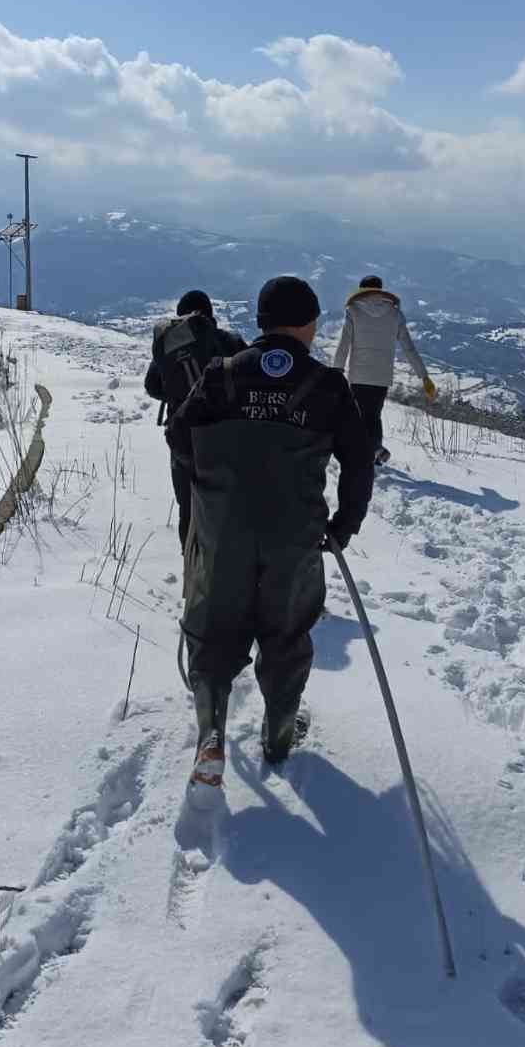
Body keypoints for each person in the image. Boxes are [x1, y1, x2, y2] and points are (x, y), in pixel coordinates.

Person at [168, 275, 374, 796]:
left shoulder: (221, 374)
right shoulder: (328, 386)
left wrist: (208, 488)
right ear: (308, 324)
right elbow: (358, 463)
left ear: (260, 321)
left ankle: (211, 734)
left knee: (213, 635)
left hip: (223, 534)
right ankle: (279, 736)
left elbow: (178, 434)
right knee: (285, 638)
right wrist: (342, 527)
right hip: (293, 537)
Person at [145, 291, 246, 550]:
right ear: (209, 314)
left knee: (188, 507)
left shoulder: (169, 344)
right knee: (228, 506)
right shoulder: (228, 340)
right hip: (226, 435)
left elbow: (152, 386)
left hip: (181, 437)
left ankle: (192, 570)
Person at [333, 275, 436, 465]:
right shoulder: (395, 314)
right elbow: (409, 348)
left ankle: (373, 451)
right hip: (382, 377)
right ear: (380, 290)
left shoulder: (353, 310)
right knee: (373, 415)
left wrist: (337, 370)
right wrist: (425, 377)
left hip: (359, 375)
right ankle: (373, 455)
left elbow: (344, 344)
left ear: (361, 290)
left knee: (360, 415)